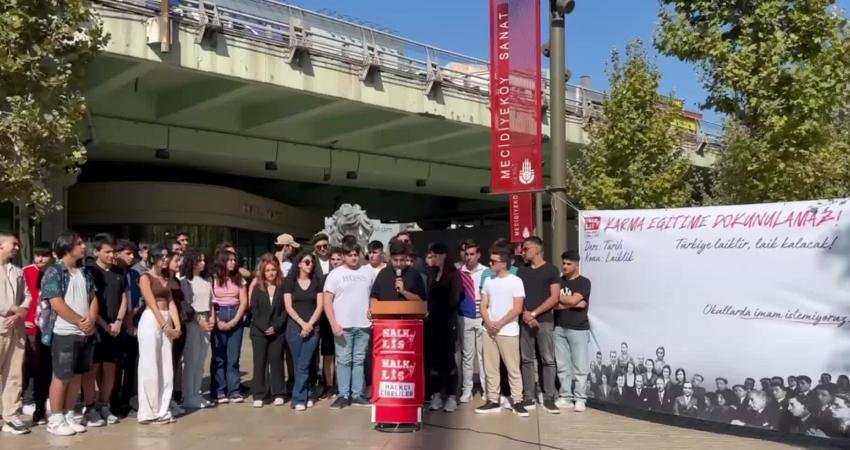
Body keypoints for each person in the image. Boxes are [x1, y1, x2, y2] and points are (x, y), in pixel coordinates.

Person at [41, 231, 98, 436]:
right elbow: (56, 302)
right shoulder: (54, 272)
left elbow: (93, 297)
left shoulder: (85, 272)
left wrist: (91, 319)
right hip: (64, 332)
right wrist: (80, 321)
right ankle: (55, 418)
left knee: (76, 376)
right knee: (61, 376)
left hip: (85, 334)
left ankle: (68, 414)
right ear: (66, 247)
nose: (84, 247)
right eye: (79, 243)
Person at [474, 245, 527, 417]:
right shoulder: (489, 281)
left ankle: (517, 400)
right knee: (490, 367)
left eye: (493, 261)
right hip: (488, 330)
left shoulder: (516, 281)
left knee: (512, 367)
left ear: (503, 263)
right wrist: (489, 322)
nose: (490, 263)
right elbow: (483, 304)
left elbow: (517, 308)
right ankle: (493, 400)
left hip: (508, 331)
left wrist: (500, 323)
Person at [322, 241, 374, 409]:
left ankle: (357, 394)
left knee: (359, 360)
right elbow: (327, 300)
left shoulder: (367, 272)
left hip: (363, 325)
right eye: (350, 255)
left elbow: (373, 296)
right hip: (342, 325)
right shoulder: (335, 274)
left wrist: (373, 311)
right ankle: (343, 394)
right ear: (343, 256)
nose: (353, 258)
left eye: (355, 254)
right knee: (344, 361)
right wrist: (333, 323)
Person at [85, 233, 128, 426]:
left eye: (114, 251)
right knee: (93, 368)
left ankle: (105, 404)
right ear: (96, 252)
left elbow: (124, 297)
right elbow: (89, 301)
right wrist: (103, 324)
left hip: (115, 327)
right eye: (107, 252)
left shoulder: (119, 272)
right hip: (95, 327)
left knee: (110, 367)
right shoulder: (89, 271)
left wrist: (118, 321)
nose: (112, 255)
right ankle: (90, 406)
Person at [137, 244, 182, 424]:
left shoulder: (166, 278)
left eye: (166, 256)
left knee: (166, 366)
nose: (165, 259)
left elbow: (170, 302)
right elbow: (151, 303)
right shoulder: (145, 277)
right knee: (150, 365)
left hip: (166, 319)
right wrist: (164, 325)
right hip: (151, 320)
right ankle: (148, 411)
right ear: (153, 258)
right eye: (161, 256)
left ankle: (163, 409)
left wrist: (177, 325)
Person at [515, 236, 560, 413]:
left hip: (544, 322)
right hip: (525, 321)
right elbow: (518, 296)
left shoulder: (551, 270)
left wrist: (534, 313)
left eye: (526, 249)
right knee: (526, 359)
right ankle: (529, 396)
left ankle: (549, 397)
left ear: (537, 250)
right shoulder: (521, 271)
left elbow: (554, 297)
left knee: (548, 360)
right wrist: (525, 313)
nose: (523, 252)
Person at [283, 251, 324, 411]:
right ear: (299, 264)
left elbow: (320, 306)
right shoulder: (290, 282)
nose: (310, 264)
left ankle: (298, 398)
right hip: (294, 328)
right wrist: (301, 323)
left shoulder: (317, 282)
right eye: (307, 262)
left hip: (313, 328)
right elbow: (288, 306)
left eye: (312, 262)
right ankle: (307, 394)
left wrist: (310, 324)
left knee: (305, 363)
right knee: (299, 363)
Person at [0, 232, 32, 435]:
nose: (17, 248)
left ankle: (10, 415)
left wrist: (20, 313)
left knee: (13, 373)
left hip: (17, 328)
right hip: (2, 325)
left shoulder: (18, 271)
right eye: (14, 244)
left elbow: (27, 296)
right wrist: (11, 309)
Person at [424, 242, 462, 413]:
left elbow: (455, 298)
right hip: (433, 323)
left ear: (444, 255)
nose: (434, 259)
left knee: (449, 360)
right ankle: (437, 394)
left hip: (448, 322)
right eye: (432, 256)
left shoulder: (453, 274)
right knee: (435, 361)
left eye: (437, 255)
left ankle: (452, 396)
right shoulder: (432, 273)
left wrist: (440, 309)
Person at [553, 250, 591, 412]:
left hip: (578, 328)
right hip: (559, 327)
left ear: (576, 265)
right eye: (563, 263)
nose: (565, 266)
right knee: (563, 366)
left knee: (580, 367)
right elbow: (553, 303)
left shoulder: (584, 282)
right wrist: (572, 303)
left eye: (569, 264)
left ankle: (580, 399)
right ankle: (565, 397)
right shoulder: (558, 281)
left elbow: (574, 299)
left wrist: (562, 299)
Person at [21, 242, 53, 426]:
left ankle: (44, 400)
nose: (39, 259)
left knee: (47, 366)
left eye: (44, 255)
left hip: (51, 327)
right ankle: (28, 399)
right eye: (37, 255)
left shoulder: (55, 272)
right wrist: (23, 318)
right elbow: (24, 298)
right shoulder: (26, 272)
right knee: (31, 365)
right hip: (31, 326)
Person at [210, 250, 248, 404]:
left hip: (235, 314)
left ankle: (234, 390)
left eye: (234, 260)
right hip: (218, 314)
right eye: (229, 260)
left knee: (233, 358)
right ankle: (219, 390)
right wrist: (217, 321)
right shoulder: (213, 278)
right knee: (219, 357)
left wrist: (235, 320)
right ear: (222, 261)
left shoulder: (239, 279)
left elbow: (244, 302)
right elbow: (211, 301)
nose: (233, 263)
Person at [249, 254, 286, 408]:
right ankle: (259, 394)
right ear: (263, 272)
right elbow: (254, 310)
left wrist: (275, 327)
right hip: (259, 331)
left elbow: (285, 311)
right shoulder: (257, 288)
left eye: (273, 270)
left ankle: (278, 393)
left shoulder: (282, 287)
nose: (271, 273)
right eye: (267, 270)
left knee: (276, 360)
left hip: (277, 331)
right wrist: (265, 327)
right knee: (260, 362)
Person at [179, 250, 215, 409]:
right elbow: (187, 305)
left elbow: (211, 302)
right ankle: (189, 396)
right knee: (191, 360)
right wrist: (199, 320)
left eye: (204, 260)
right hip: (193, 322)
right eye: (199, 260)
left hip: (207, 320)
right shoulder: (185, 281)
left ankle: (196, 392)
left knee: (201, 360)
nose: (203, 263)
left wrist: (212, 317)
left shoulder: (207, 280)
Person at [113, 239, 142, 417]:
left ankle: (126, 401)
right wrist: (123, 320)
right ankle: (111, 401)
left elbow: (140, 298)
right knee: (114, 367)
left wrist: (132, 318)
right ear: (117, 254)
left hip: (133, 326)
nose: (132, 257)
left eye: (133, 254)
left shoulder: (134, 274)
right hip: (114, 325)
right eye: (128, 253)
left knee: (131, 366)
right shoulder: (112, 273)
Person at [457, 240, 486, 404]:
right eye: (467, 254)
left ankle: (486, 389)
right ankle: (467, 390)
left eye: (472, 254)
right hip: (465, 316)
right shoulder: (459, 272)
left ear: (478, 255)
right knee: (467, 356)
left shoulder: (486, 271)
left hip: (482, 316)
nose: (469, 257)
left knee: (483, 356)